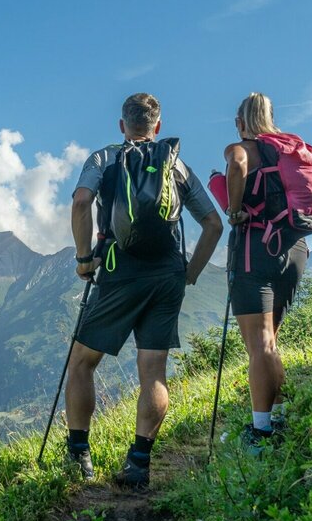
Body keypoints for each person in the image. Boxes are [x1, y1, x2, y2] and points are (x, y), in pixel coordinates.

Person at [66, 93, 223, 486]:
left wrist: (84, 259)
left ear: (122, 125)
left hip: (121, 271)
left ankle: (79, 455)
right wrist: (190, 271)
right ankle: (138, 464)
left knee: (83, 362)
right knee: (153, 371)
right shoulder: (175, 164)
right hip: (167, 273)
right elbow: (213, 224)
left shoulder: (104, 158)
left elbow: (82, 202)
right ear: (158, 125)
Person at [223, 92, 312, 454]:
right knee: (271, 342)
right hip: (295, 250)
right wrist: (294, 215)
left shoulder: (244, 147)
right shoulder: (296, 150)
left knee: (259, 345)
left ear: (241, 121)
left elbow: (235, 165)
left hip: (255, 251)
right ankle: (277, 418)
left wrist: (235, 211)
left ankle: (261, 431)